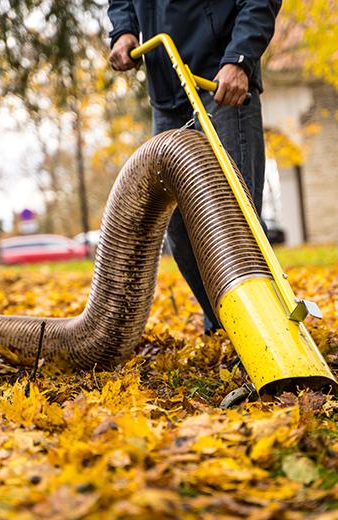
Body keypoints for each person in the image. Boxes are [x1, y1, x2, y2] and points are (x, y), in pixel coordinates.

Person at [108, 0, 281, 333]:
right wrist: (124, 30)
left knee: (235, 220)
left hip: (219, 81)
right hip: (167, 92)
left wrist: (239, 58)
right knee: (178, 225)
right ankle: (228, 328)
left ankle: (264, 332)